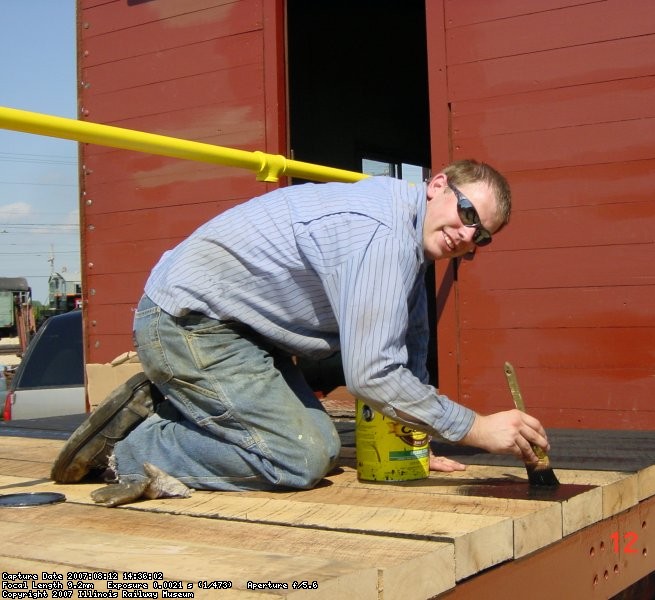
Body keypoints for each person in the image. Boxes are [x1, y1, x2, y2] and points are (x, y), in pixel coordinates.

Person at [52, 159, 550, 505]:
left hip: (246, 333)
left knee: (324, 440)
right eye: (467, 214)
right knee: (302, 456)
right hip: (190, 324)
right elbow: (373, 373)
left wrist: (414, 441)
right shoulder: (381, 233)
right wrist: (476, 428)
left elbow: (408, 344)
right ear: (437, 184)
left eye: (480, 235)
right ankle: (130, 448)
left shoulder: (410, 230)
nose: (467, 236)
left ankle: (185, 396)